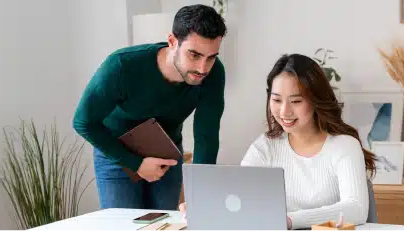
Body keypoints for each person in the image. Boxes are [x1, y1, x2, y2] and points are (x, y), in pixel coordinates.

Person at [179, 54, 377, 230]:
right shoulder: (265, 145)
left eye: (296, 101)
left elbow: (356, 208)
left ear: (316, 100)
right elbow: (238, 195)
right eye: (276, 100)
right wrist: (206, 206)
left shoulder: (344, 146)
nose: (284, 112)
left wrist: (290, 220)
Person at [72, 4, 227, 210]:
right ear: (172, 42)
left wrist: (199, 192)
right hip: (117, 154)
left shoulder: (213, 73)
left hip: (167, 155)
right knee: (124, 226)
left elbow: (206, 137)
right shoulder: (121, 66)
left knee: (166, 222)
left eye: (211, 57)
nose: (202, 68)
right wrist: (135, 163)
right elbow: (83, 122)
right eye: (194, 55)